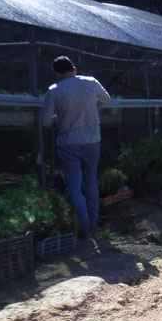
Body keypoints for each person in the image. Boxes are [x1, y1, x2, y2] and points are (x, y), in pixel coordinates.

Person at [41, 56, 110, 239]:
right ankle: (95, 222)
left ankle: (84, 226)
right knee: (90, 180)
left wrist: (60, 118)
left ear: (57, 74)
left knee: (73, 185)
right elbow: (106, 99)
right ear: (74, 69)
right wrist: (93, 108)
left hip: (68, 143)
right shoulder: (91, 82)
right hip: (92, 141)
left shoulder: (54, 90)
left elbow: (46, 122)